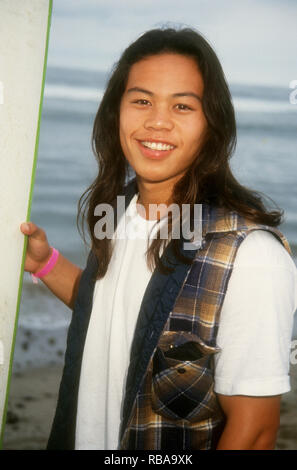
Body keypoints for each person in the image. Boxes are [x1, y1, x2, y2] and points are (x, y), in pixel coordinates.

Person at [20, 27, 297, 450]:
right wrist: (45, 265)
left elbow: (255, 432)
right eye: (142, 100)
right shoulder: (119, 211)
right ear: (117, 111)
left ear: (212, 124)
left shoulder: (250, 256)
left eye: (182, 106)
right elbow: (121, 316)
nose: (157, 121)